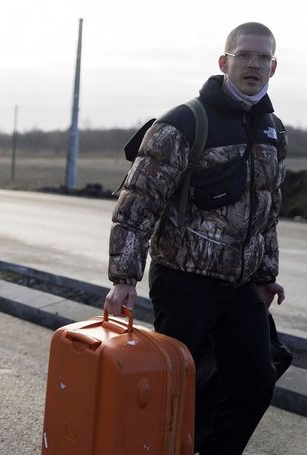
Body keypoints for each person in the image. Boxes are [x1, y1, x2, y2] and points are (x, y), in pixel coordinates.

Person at [104, 22, 287, 455]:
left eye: (263, 58)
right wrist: (124, 277)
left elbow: (268, 209)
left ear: (274, 66)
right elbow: (137, 203)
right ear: (224, 62)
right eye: (244, 56)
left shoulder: (272, 129)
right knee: (175, 390)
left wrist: (265, 274)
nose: (253, 66)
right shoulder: (184, 122)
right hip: (185, 283)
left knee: (255, 384)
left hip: (240, 287)